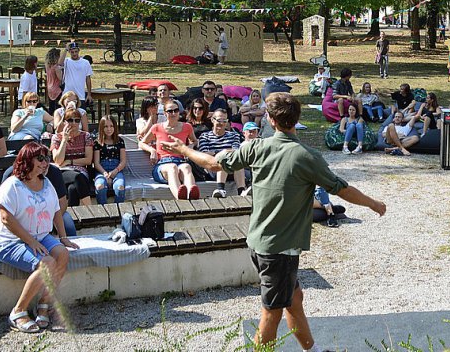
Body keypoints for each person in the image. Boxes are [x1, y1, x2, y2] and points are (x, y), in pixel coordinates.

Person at [161, 91, 386, 350]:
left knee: (294, 299)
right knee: (271, 313)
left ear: (270, 120)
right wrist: (373, 203)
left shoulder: (256, 147)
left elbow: (213, 164)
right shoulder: (307, 156)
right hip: (279, 251)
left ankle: (311, 349)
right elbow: (341, 189)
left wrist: (183, 149)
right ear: (297, 119)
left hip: (260, 244)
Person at [0, 142, 78, 333]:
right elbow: (6, 218)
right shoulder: (12, 185)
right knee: (47, 263)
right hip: (11, 241)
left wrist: (63, 237)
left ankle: (43, 305)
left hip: (41, 235)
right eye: (40, 158)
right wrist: (31, 242)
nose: (45, 163)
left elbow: (56, 211)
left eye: (46, 158)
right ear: (27, 159)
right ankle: (18, 311)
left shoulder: (46, 183)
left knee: (62, 254)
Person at [139, 101, 199, 199]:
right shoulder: (157, 127)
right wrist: (152, 151)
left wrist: (190, 147)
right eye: (170, 111)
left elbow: (195, 141)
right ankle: (180, 197)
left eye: (176, 110)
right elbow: (142, 143)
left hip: (180, 161)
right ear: (165, 113)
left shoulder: (187, 127)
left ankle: (192, 194)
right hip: (162, 164)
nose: (173, 113)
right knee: (172, 168)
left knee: (186, 167)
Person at [196, 109, 248, 197]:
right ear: (212, 120)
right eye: (219, 120)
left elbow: (236, 151)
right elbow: (204, 154)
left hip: (232, 168)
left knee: (237, 161)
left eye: (224, 121)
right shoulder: (205, 136)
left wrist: (216, 153)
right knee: (223, 159)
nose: (222, 123)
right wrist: (223, 152)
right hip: (212, 168)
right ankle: (220, 189)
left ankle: (241, 191)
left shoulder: (234, 135)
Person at [49, 105, 93, 206]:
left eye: (77, 120)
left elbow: (88, 160)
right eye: (70, 120)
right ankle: (91, 209)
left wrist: (70, 161)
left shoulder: (86, 136)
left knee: (72, 189)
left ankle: (73, 215)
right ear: (64, 122)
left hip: (80, 171)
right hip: (62, 171)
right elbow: (58, 161)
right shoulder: (57, 137)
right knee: (77, 178)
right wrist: (64, 140)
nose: (73, 123)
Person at [93, 115, 127, 204]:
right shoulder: (97, 142)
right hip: (101, 170)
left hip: (117, 170)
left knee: (120, 187)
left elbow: (123, 161)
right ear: (101, 128)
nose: (109, 129)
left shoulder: (120, 141)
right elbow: (96, 163)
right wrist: (105, 174)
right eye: (106, 126)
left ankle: (118, 210)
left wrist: (115, 171)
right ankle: (103, 210)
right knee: (100, 186)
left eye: (111, 126)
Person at [58, 42, 93, 108]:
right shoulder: (67, 61)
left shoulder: (85, 62)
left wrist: (89, 94)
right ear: (69, 52)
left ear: (78, 51)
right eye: (72, 52)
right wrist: (66, 49)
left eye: (76, 52)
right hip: (67, 95)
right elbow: (59, 63)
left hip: (80, 95)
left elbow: (88, 79)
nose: (74, 54)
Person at [43, 48, 63, 113]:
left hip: (50, 87)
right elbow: (61, 78)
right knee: (58, 109)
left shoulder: (47, 66)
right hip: (57, 89)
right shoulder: (56, 67)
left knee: (51, 107)